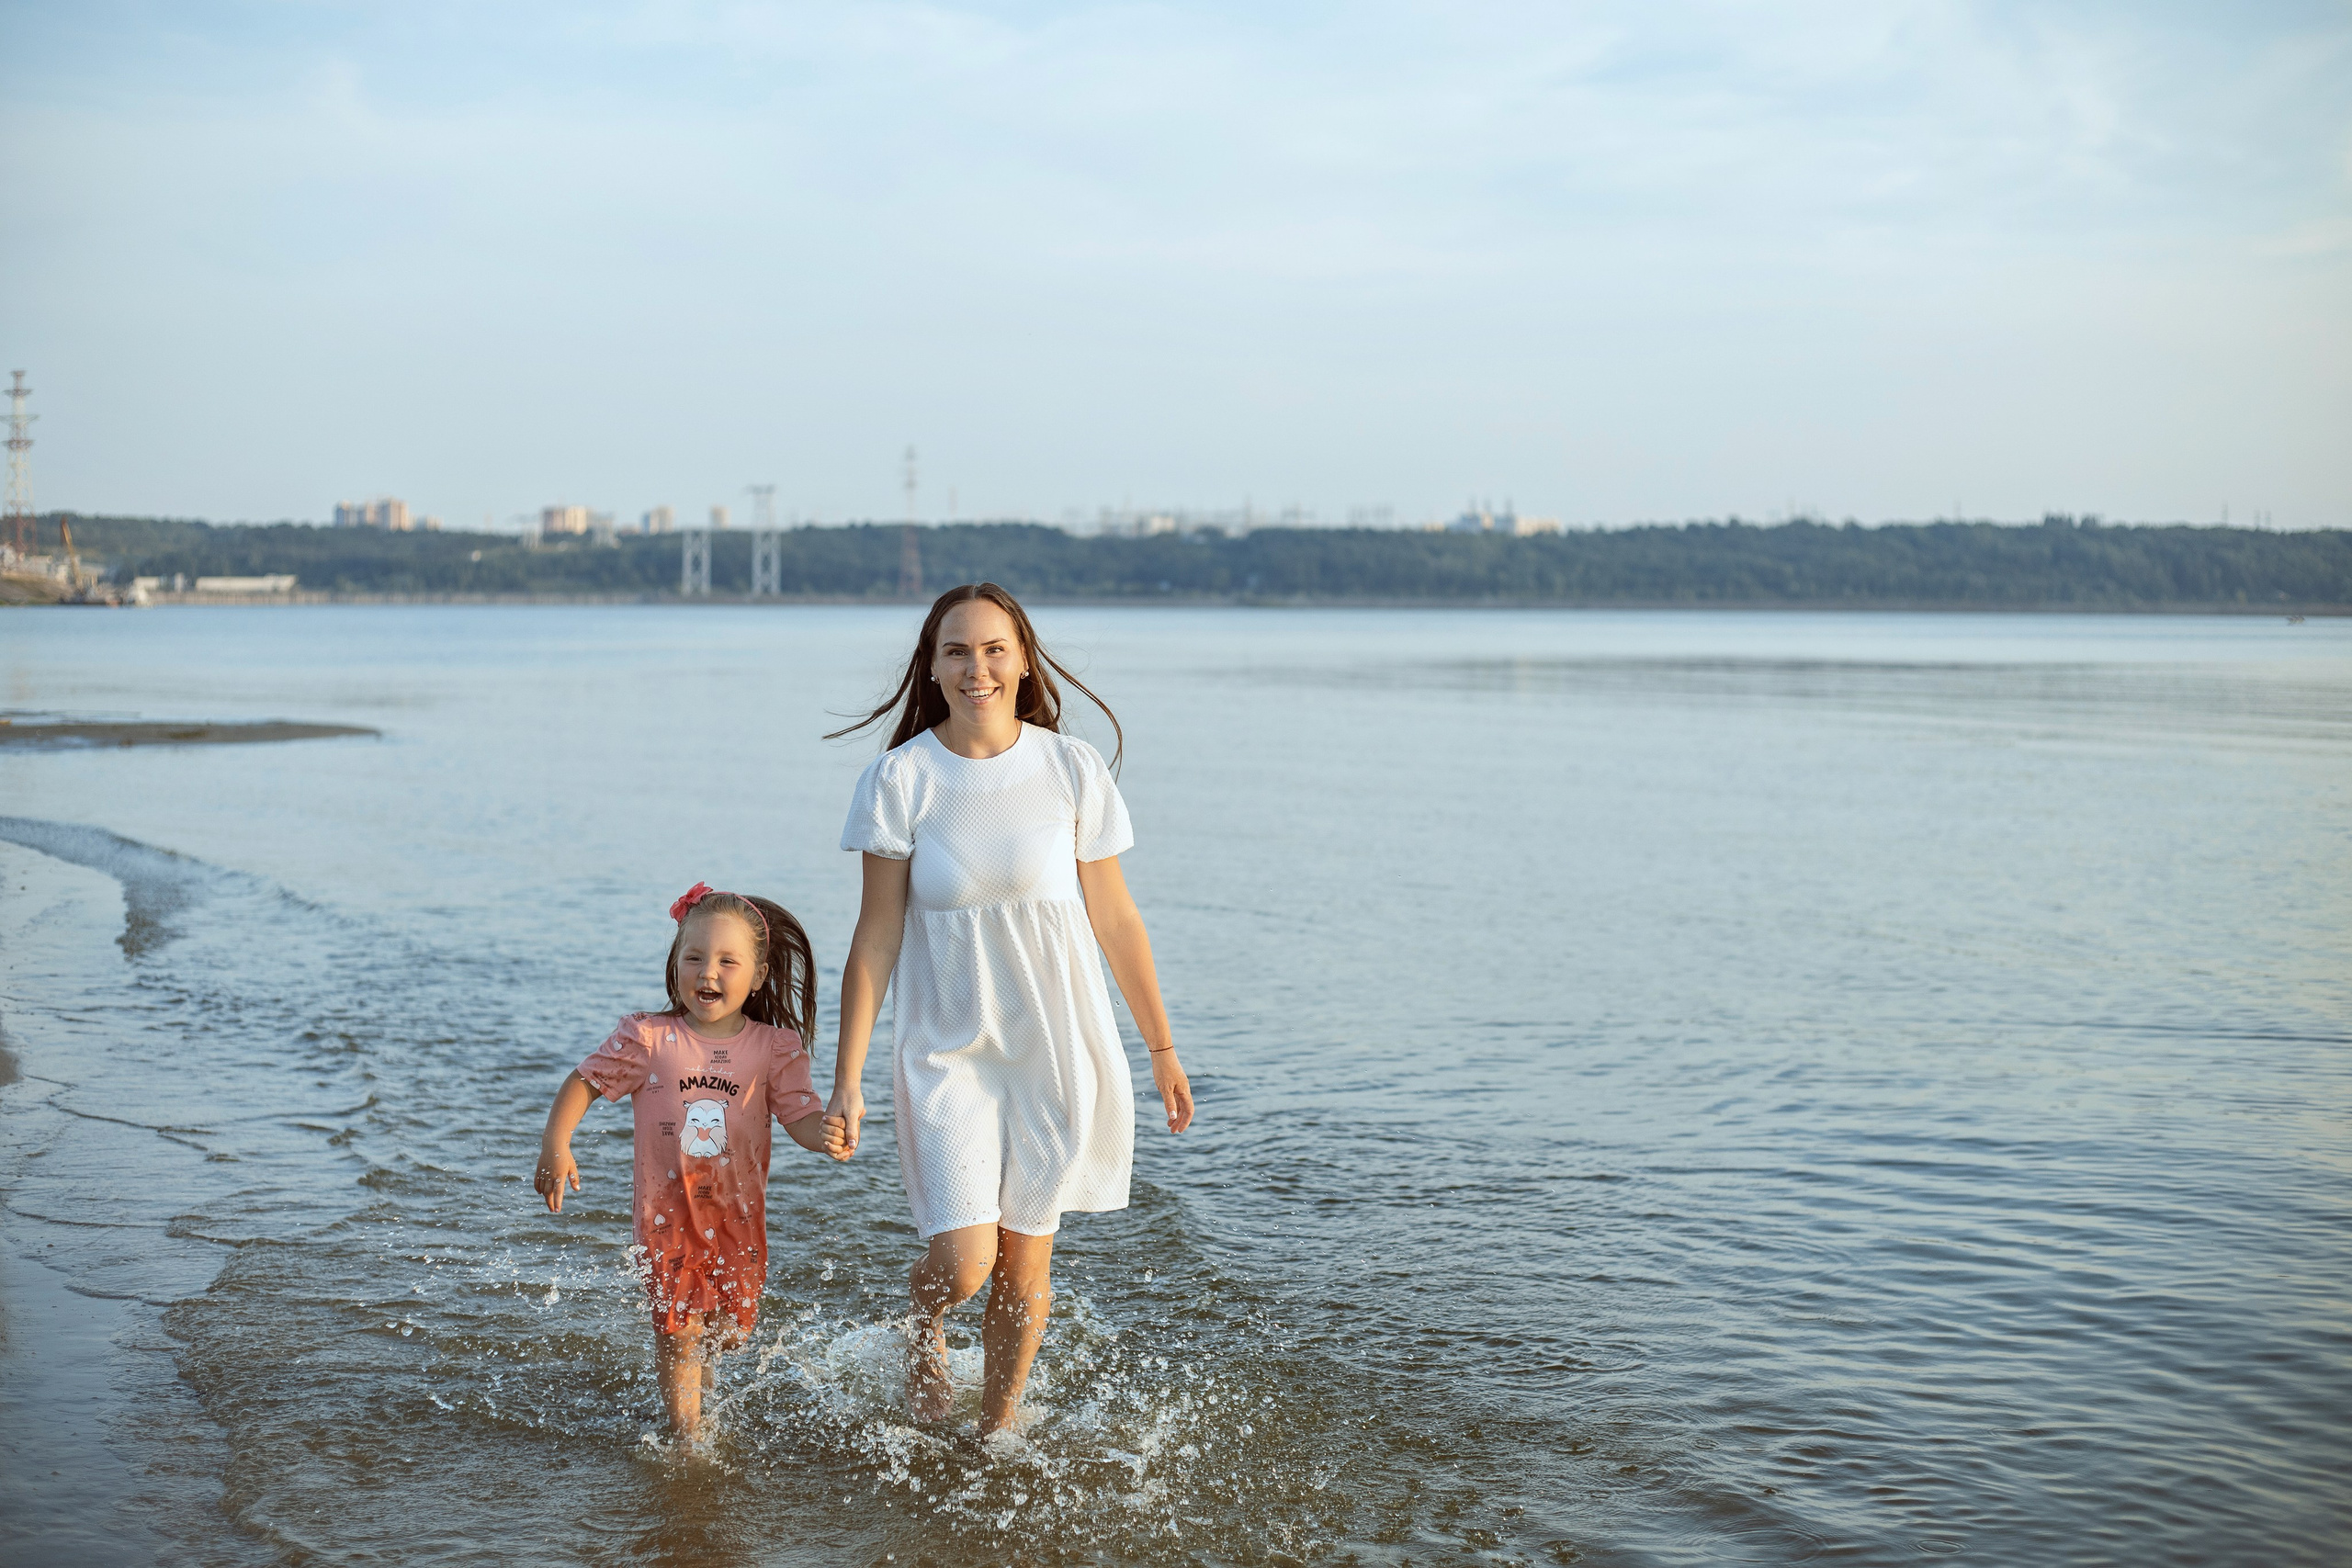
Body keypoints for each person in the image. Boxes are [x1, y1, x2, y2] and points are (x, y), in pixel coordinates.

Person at [826, 582, 1194, 1435]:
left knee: (1025, 1265)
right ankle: (922, 1319)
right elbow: (875, 938)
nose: (977, 668)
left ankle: (996, 1431)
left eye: (994, 649)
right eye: (956, 650)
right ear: (932, 666)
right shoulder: (901, 779)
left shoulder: (1071, 768)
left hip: (1054, 1050)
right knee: (965, 1260)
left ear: (1023, 659)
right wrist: (846, 1078)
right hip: (948, 1048)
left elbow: (1116, 918)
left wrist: (1162, 1048)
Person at [534, 884, 849, 1438]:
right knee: (680, 1330)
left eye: (728, 961)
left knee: (729, 1331)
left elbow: (799, 1116)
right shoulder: (649, 1039)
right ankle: (686, 1438)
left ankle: (697, 1400)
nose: (708, 972)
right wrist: (557, 1145)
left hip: (736, 1217)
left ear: (758, 976)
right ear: (675, 963)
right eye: (694, 957)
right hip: (667, 1216)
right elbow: (584, 1082)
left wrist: (825, 1135)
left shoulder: (773, 1048)